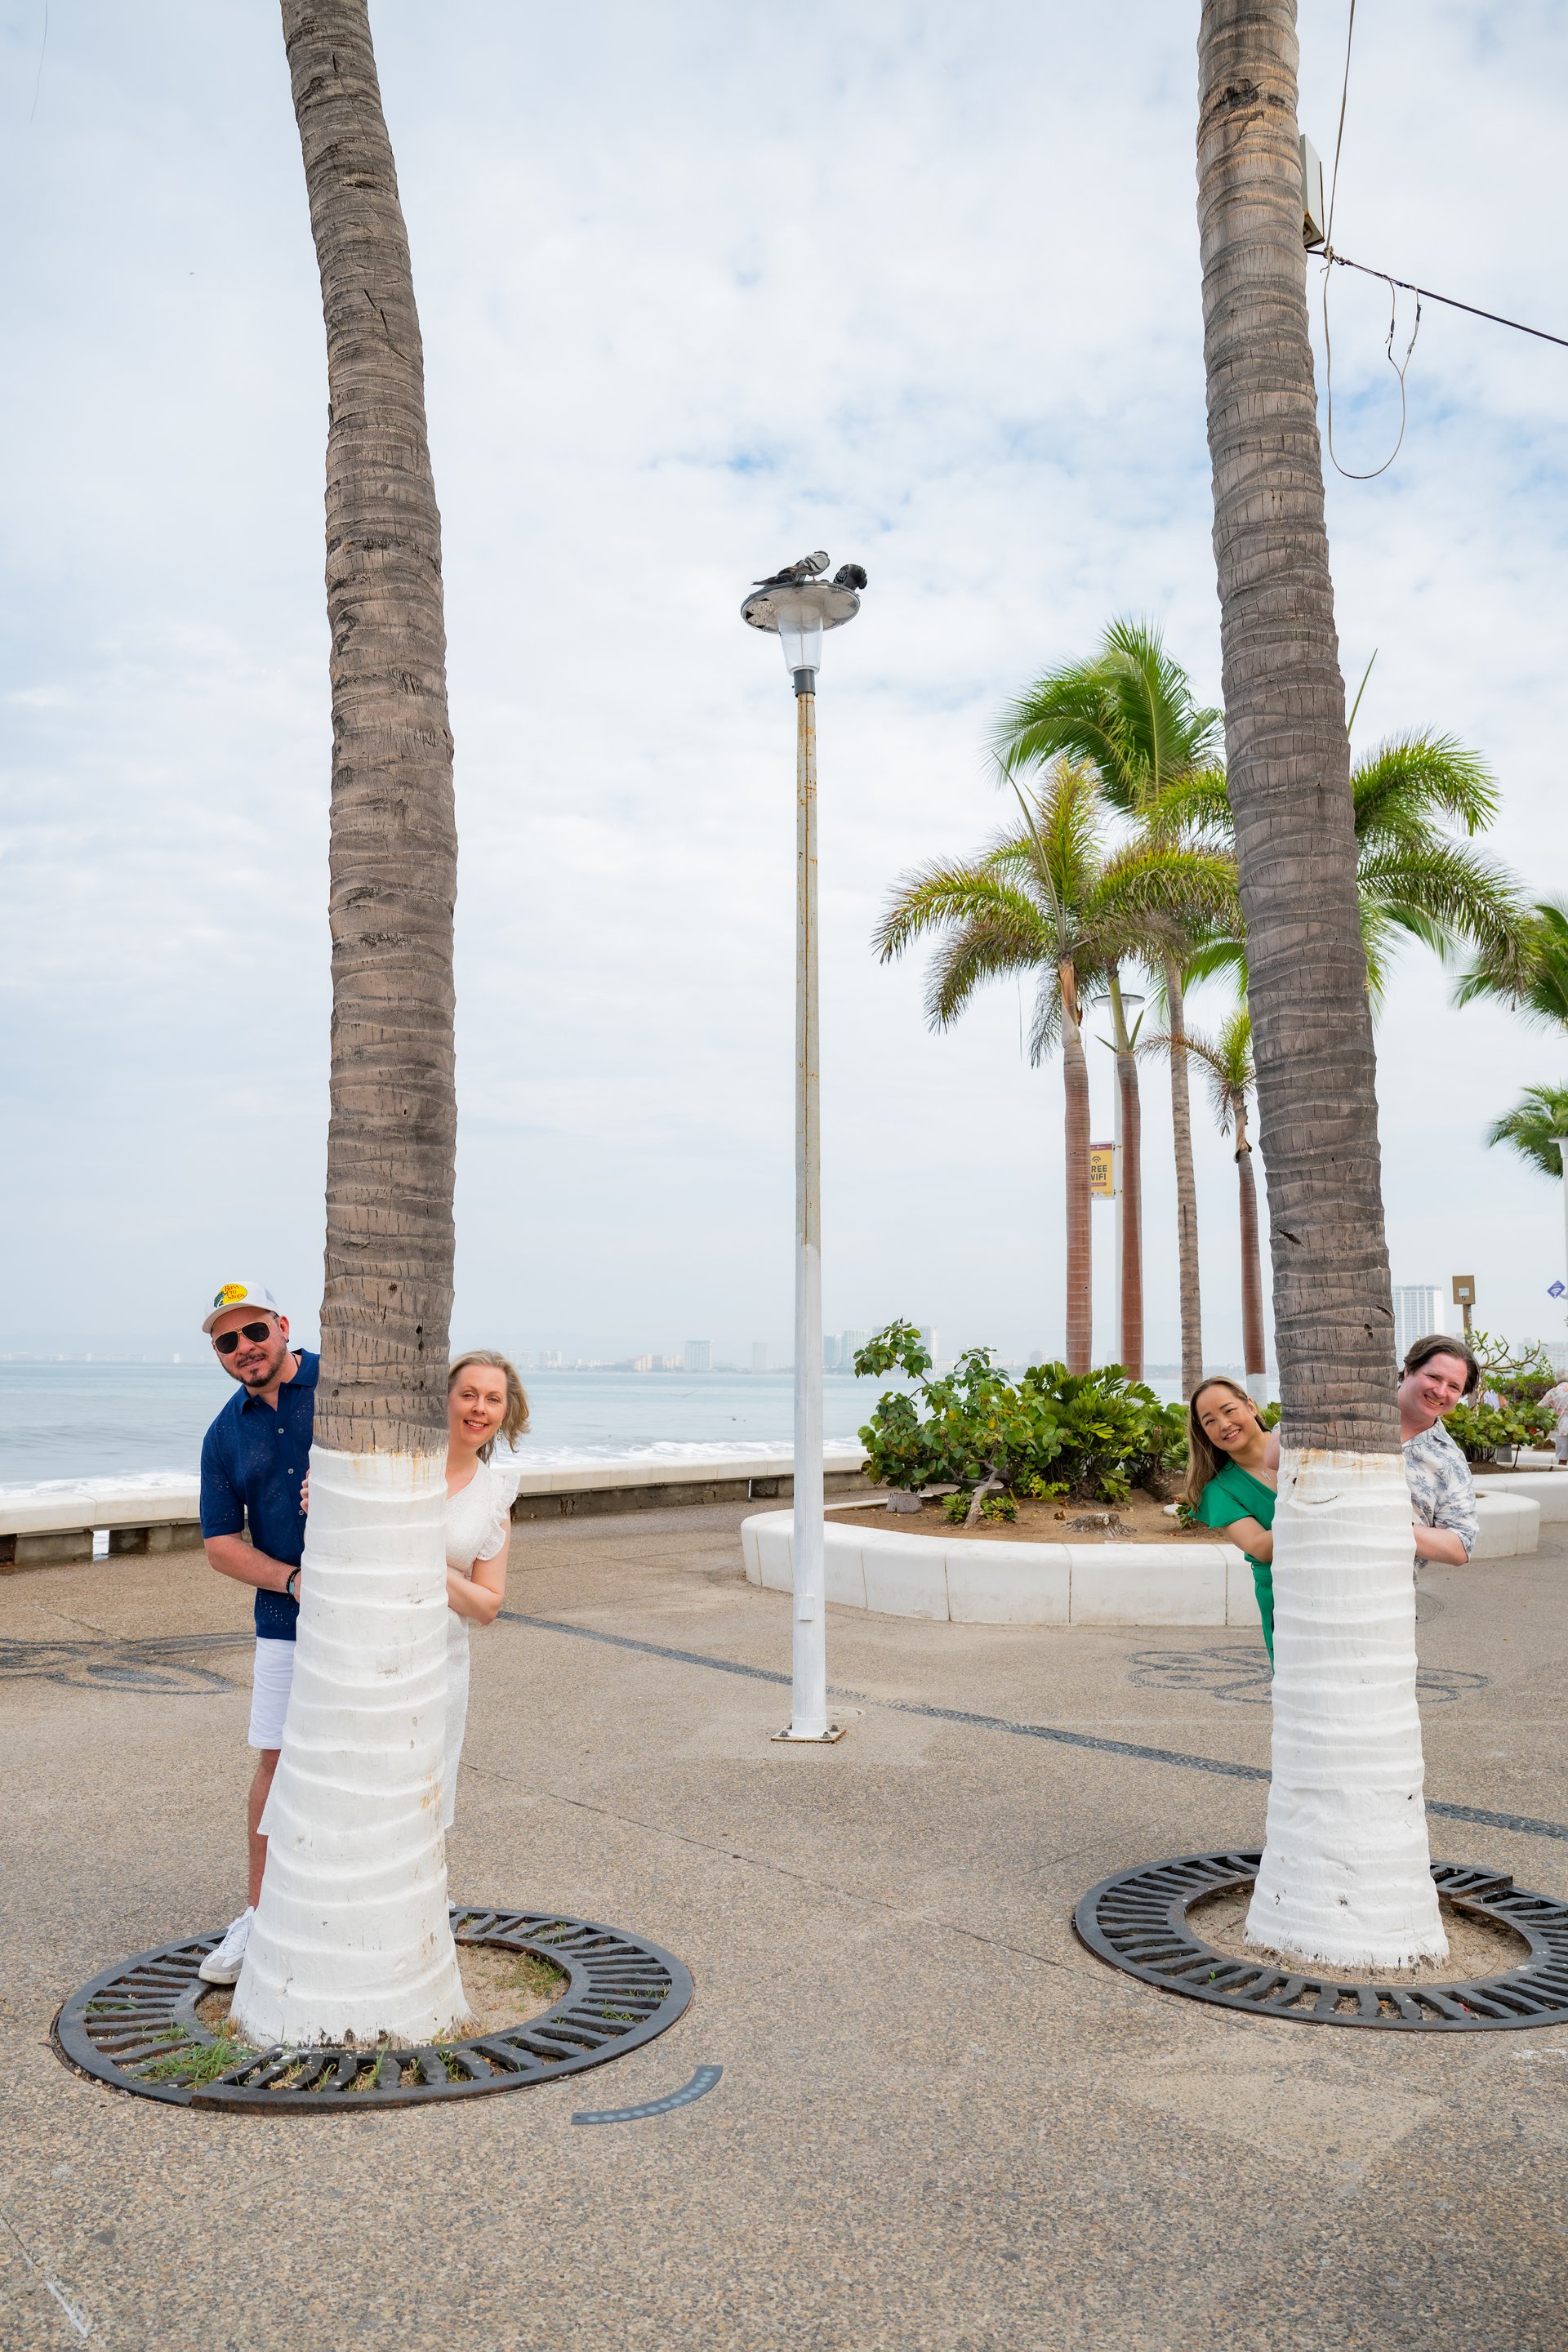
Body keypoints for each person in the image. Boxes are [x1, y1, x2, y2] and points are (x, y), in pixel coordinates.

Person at [195, 1282, 316, 1985]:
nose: (244, 1348)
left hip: (376, 1612)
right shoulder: (223, 1434)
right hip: (284, 1622)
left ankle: (408, 1892)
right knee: (274, 1763)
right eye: (227, 1341)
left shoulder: (349, 1386)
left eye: (255, 1331)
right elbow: (220, 1546)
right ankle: (260, 1914)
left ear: (283, 1326)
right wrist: (294, 1581)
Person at [440, 1352, 529, 1826]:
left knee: (424, 1796)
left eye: (493, 1399)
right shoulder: (396, 1465)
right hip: (366, 1650)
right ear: (445, 1398)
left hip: (441, 1663)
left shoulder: (495, 1495)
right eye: (469, 1394)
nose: (479, 1408)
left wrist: (423, 1567)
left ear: (504, 1413)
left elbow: (489, 1604)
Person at [1184, 1379, 1280, 1661]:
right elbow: (1260, 1547)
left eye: (1229, 1411)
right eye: (1210, 1421)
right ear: (1203, 1433)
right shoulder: (1217, 1490)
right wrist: (1315, 1513)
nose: (1224, 1425)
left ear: (1250, 1406)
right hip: (1283, 1595)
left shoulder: (1300, 1444)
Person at [1398, 1333, 1480, 1565]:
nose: (1441, 1392)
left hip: (1393, 1584)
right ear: (1409, 1370)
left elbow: (1460, 1547)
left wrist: (1386, 1525)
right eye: (1434, 1377)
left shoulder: (1450, 1460)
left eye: (1454, 1387)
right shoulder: (1353, 1411)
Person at [1540, 1370, 1568, 1468]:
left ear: (1556, 1379)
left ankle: (1562, 1476)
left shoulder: (1553, 1391)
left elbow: (1539, 1407)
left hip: (1562, 1428)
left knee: (1562, 1459)